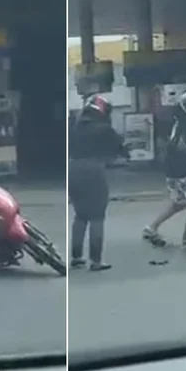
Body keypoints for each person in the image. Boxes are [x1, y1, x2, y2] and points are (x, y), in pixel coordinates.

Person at [142, 90, 186, 247]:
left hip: (177, 168)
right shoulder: (182, 121)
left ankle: (153, 227)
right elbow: (176, 142)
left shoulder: (182, 119)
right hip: (180, 169)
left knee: (179, 203)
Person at [69, 94, 127, 271]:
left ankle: (77, 257)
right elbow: (120, 147)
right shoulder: (104, 129)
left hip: (73, 169)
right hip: (94, 170)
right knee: (96, 216)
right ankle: (96, 261)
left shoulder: (74, 127)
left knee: (80, 215)